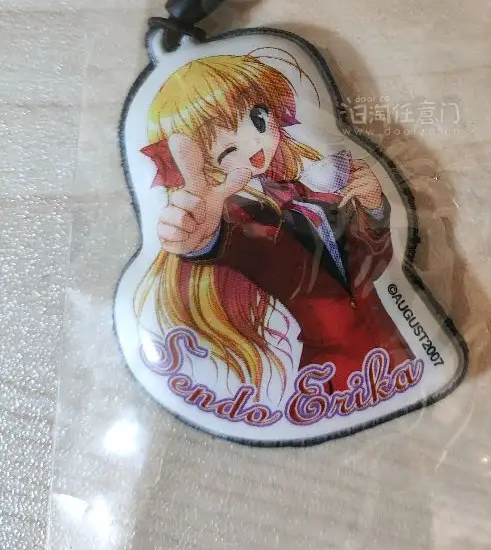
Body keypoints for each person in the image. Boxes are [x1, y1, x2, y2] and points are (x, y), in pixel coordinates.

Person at [135, 51, 412, 403]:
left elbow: (370, 264)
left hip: (393, 348)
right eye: (226, 150)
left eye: (257, 119)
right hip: (333, 376)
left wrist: (373, 207)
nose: (253, 147)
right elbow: (237, 247)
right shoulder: (241, 220)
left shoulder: (309, 192)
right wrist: (199, 240)